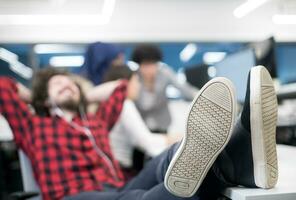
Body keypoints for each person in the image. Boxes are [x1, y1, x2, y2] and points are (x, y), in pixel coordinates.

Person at [0, 66, 278, 200]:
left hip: (116, 186)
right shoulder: (32, 125)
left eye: (70, 83)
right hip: (73, 195)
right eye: (57, 85)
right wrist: (36, 98)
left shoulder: (93, 121)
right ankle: (239, 161)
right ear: (43, 98)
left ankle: (239, 161)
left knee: (170, 157)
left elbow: (121, 88)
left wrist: (80, 92)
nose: (66, 86)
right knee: (136, 199)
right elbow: (2, 86)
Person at [131, 44, 198, 133]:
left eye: (152, 64)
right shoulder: (134, 78)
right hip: (140, 126)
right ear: (139, 65)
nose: (149, 69)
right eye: (145, 64)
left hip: (162, 125)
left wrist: (201, 97)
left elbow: (184, 88)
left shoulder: (165, 73)